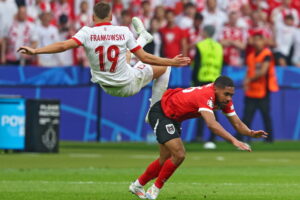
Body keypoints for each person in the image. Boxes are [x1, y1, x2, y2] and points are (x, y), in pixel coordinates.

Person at [18, 2, 190, 109]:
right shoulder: (123, 31)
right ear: (111, 16)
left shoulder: (86, 32)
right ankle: (155, 110)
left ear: (93, 17)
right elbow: (145, 58)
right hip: (128, 84)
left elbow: (63, 45)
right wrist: (172, 61)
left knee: (125, 57)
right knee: (165, 68)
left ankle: (143, 38)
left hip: (106, 87)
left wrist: (35, 51)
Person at [129, 76, 268, 200]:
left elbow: (237, 123)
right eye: (226, 94)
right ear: (215, 88)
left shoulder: (223, 100)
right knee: (179, 154)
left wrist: (250, 133)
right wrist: (234, 140)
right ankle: (155, 189)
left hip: (174, 118)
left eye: (231, 95)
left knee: (164, 159)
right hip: (162, 113)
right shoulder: (206, 95)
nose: (229, 98)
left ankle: (137, 185)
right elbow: (212, 124)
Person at [241, 33, 279, 143]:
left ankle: (269, 138)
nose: (257, 42)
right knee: (247, 115)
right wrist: (245, 82)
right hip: (252, 91)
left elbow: (263, 71)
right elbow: (248, 71)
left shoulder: (267, 54)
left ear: (263, 42)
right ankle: (242, 135)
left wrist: (249, 79)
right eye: (255, 40)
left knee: (266, 115)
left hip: (263, 91)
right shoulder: (251, 55)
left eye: (259, 40)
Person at [191, 25, 223, 145]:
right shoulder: (219, 47)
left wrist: (194, 82)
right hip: (215, 82)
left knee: (201, 109)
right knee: (213, 110)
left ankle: (199, 135)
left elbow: (197, 65)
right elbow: (221, 64)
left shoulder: (201, 45)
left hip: (202, 80)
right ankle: (214, 136)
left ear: (205, 32)